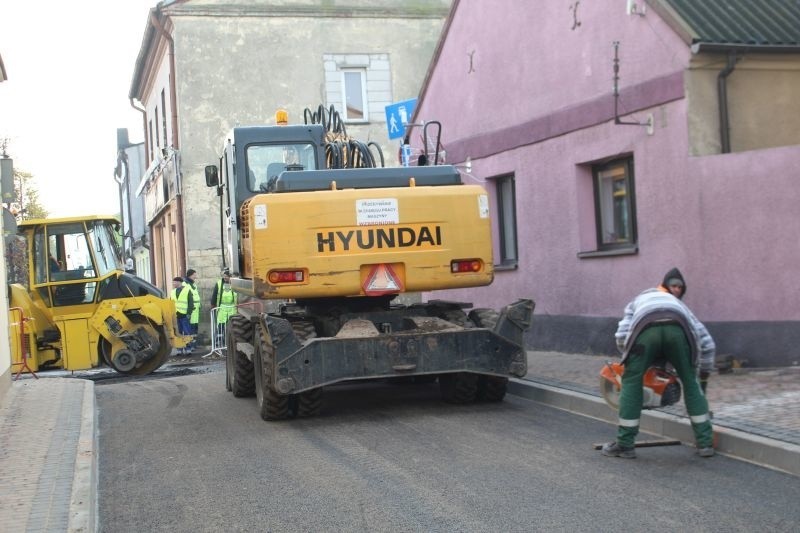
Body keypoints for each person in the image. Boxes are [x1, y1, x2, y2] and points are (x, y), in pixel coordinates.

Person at [602, 267, 716, 459]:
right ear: (667, 287)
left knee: (631, 381)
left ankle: (625, 445)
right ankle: (705, 444)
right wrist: (702, 376)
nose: (678, 290)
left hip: (646, 327)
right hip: (679, 328)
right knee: (690, 382)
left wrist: (634, 361)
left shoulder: (638, 300)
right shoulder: (680, 306)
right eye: (675, 286)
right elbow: (707, 343)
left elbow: (621, 335)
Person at [210, 269, 238, 348]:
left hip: (232, 307)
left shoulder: (235, 283)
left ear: (230, 277)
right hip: (222, 307)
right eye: (224, 276)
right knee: (220, 325)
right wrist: (212, 304)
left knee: (232, 325)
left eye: (227, 276)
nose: (225, 278)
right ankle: (218, 343)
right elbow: (214, 294)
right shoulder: (219, 284)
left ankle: (229, 343)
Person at [171, 276, 191, 355]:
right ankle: (179, 349)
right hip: (176, 315)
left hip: (184, 314)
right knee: (177, 333)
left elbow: (190, 302)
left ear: (179, 282)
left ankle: (188, 349)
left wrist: (189, 313)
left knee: (186, 332)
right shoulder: (173, 292)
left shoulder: (187, 290)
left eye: (174, 282)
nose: (173, 284)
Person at [184, 269, 201, 352]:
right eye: (195, 275)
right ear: (190, 275)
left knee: (194, 328)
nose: (196, 276)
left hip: (196, 309)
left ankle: (194, 344)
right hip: (190, 310)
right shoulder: (185, 284)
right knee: (190, 328)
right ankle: (190, 345)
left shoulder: (193, 284)